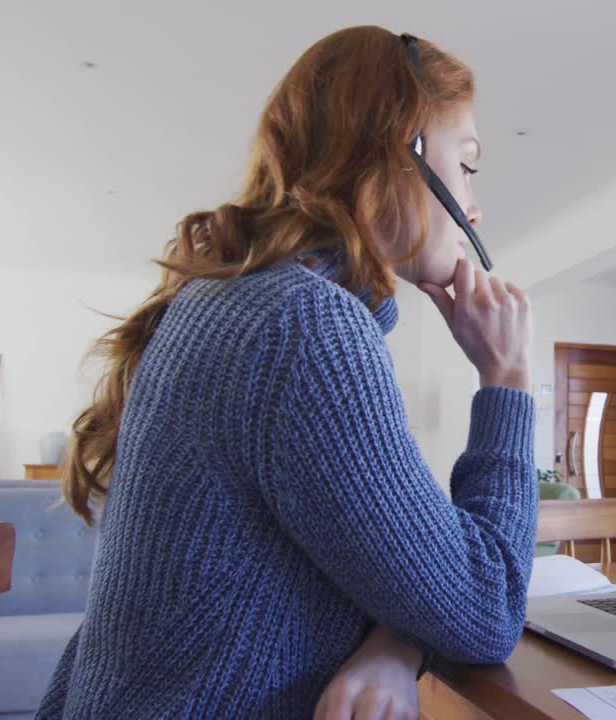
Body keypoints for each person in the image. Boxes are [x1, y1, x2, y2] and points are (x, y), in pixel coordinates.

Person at [37, 26, 537, 719]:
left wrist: (394, 641)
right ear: (406, 150)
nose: (474, 206)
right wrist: (506, 379)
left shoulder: (243, 302)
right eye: (468, 164)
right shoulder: (305, 328)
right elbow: (487, 608)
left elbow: (398, 563)